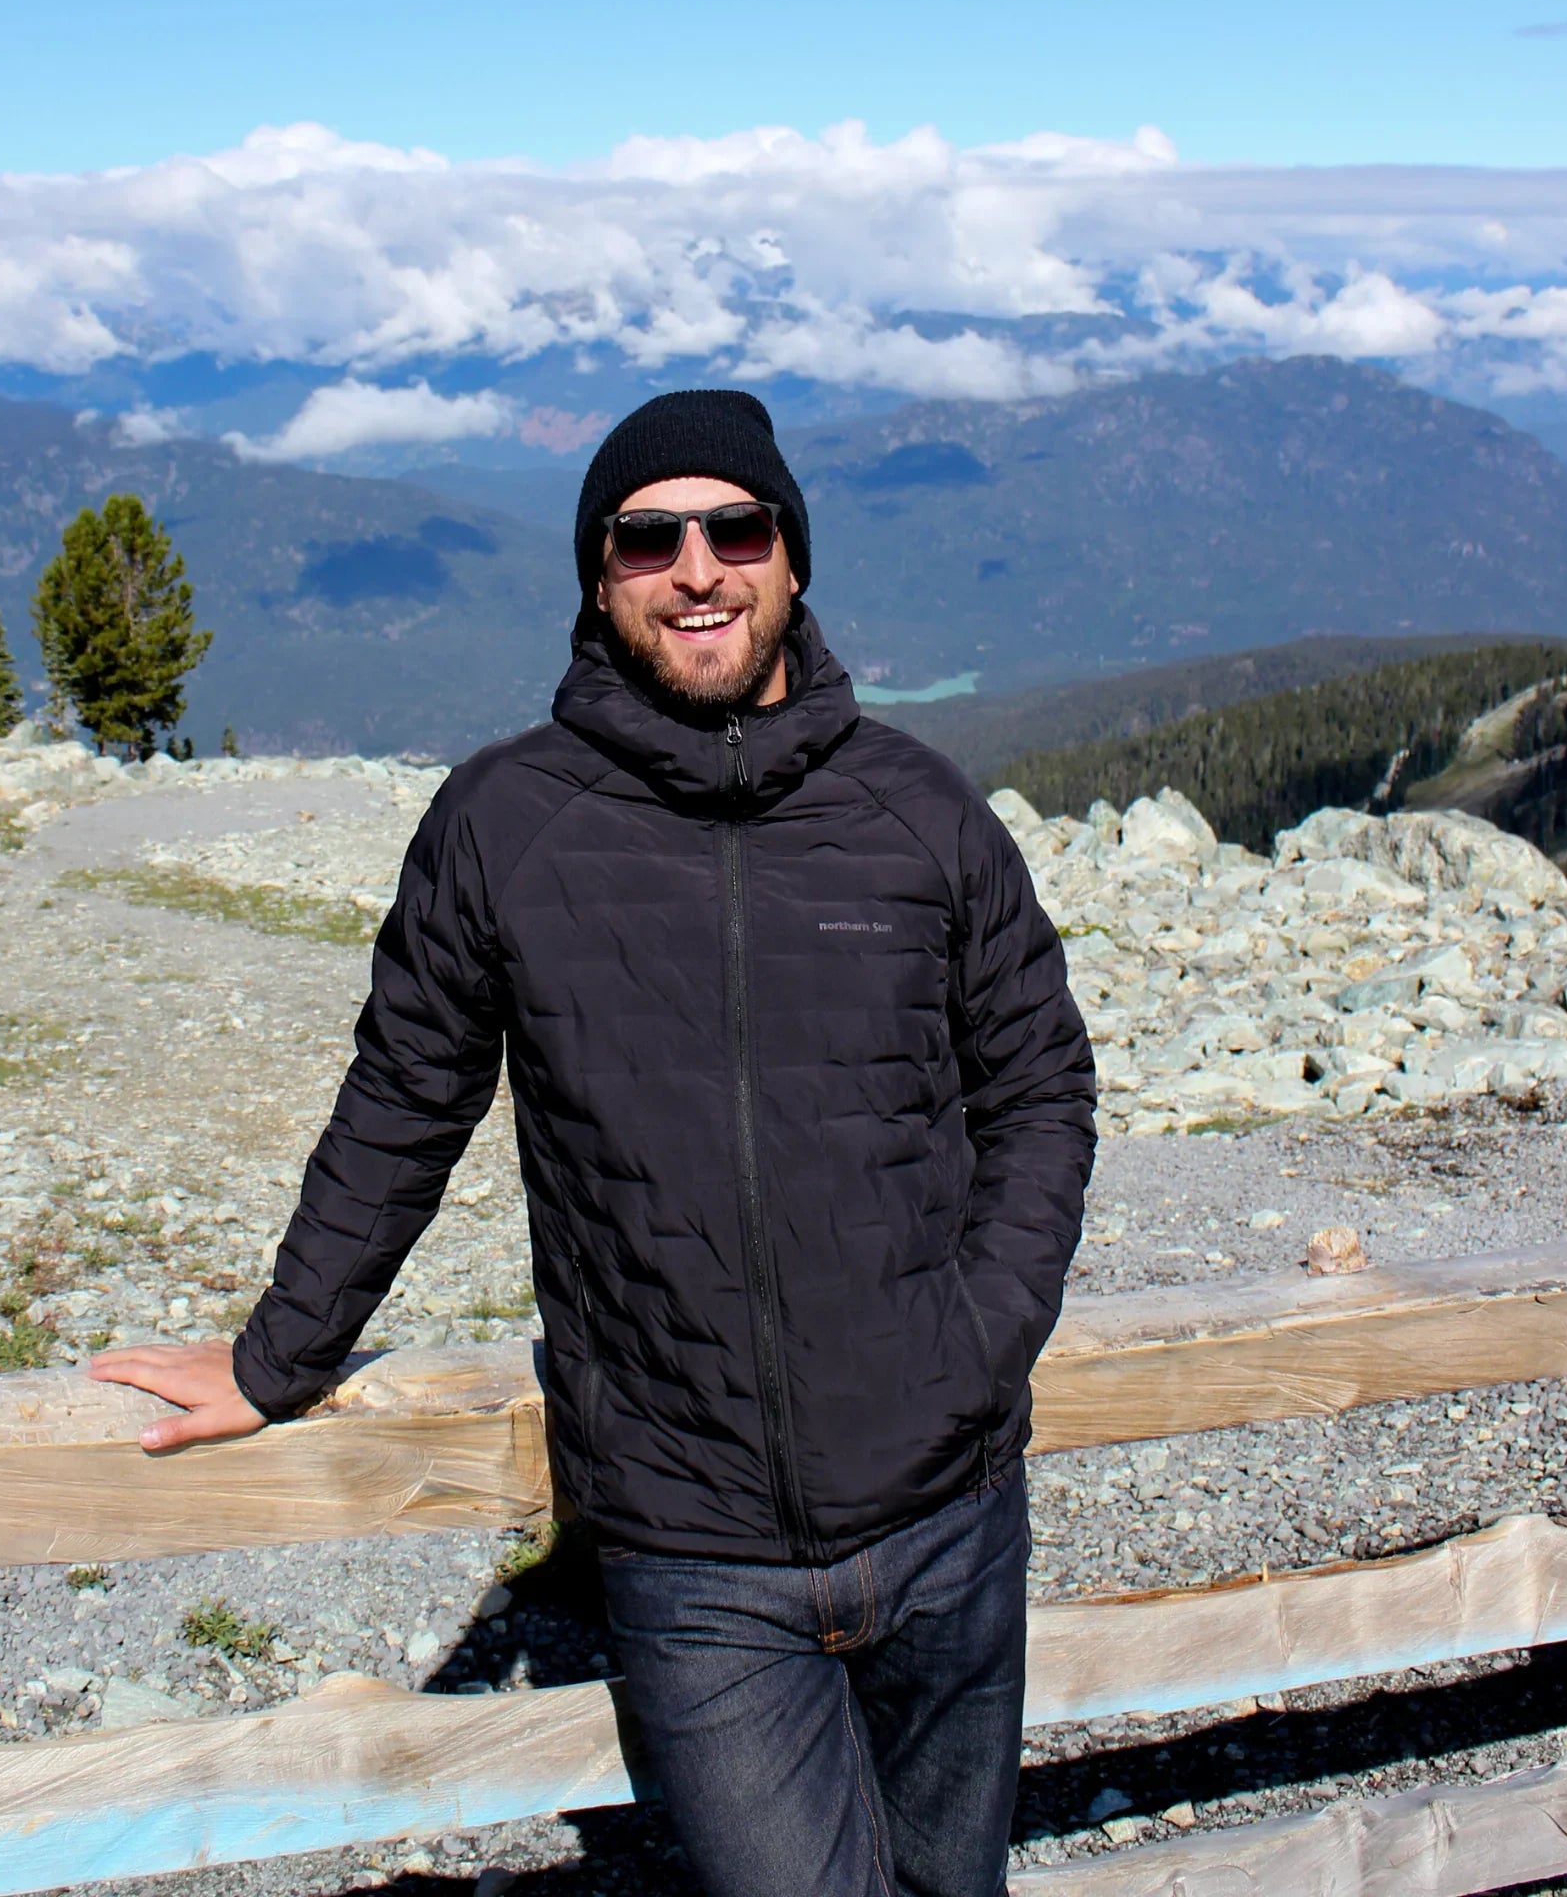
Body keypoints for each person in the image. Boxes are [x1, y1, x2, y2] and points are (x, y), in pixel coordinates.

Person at [92, 389, 1097, 1897]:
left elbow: (1040, 1085)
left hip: (951, 1508)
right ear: (599, 574)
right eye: (649, 539)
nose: (699, 568)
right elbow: (402, 1103)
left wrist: (979, 1340)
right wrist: (276, 1358)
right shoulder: (507, 822)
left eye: (736, 529)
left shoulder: (917, 810)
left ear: (792, 560)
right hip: (692, 1554)